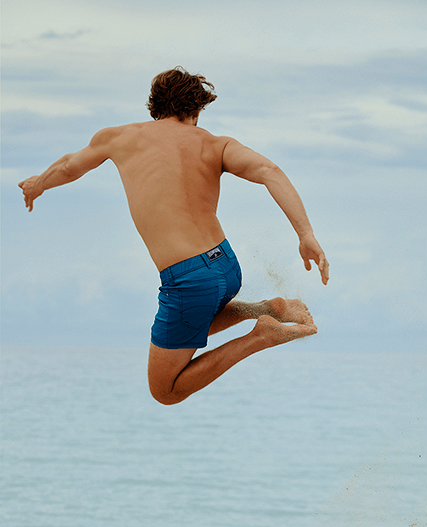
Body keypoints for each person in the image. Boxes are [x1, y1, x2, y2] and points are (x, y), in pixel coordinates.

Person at [18, 66, 329, 405]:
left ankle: (261, 336)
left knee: (165, 389)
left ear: (155, 107)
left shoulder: (118, 137)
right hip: (225, 266)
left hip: (189, 277)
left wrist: (38, 183)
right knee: (188, 331)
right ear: (195, 110)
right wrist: (306, 235)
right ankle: (267, 308)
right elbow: (269, 171)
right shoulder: (215, 144)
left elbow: (68, 165)